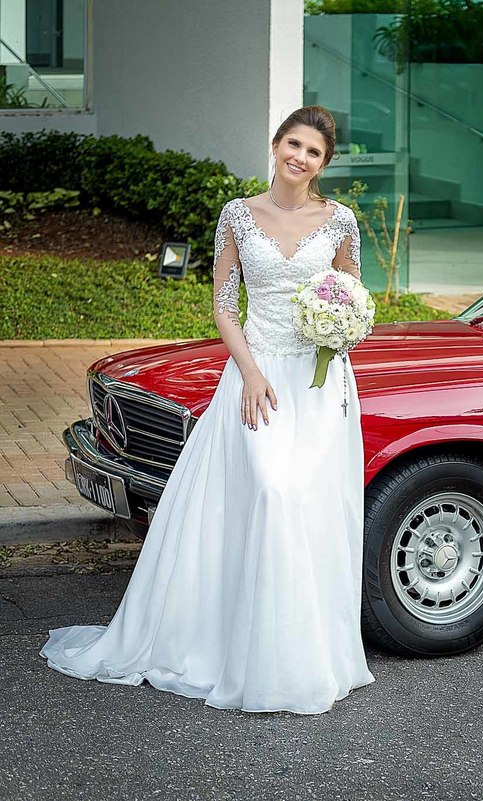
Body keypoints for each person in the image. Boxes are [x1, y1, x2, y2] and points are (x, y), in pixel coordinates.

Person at [40, 106, 376, 714]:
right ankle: (238, 649)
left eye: (314, 153)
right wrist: (249, 371)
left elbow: (353, 294)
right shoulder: (238, 218)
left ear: (324, 164)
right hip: (258, 377)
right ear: (276, 145)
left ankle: (305, 654)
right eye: (293, 145)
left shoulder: (340, 222)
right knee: (270, 492)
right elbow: (224, 305)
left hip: (321, 384)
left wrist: (343, 328)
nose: (300, 158)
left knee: (308, 505)